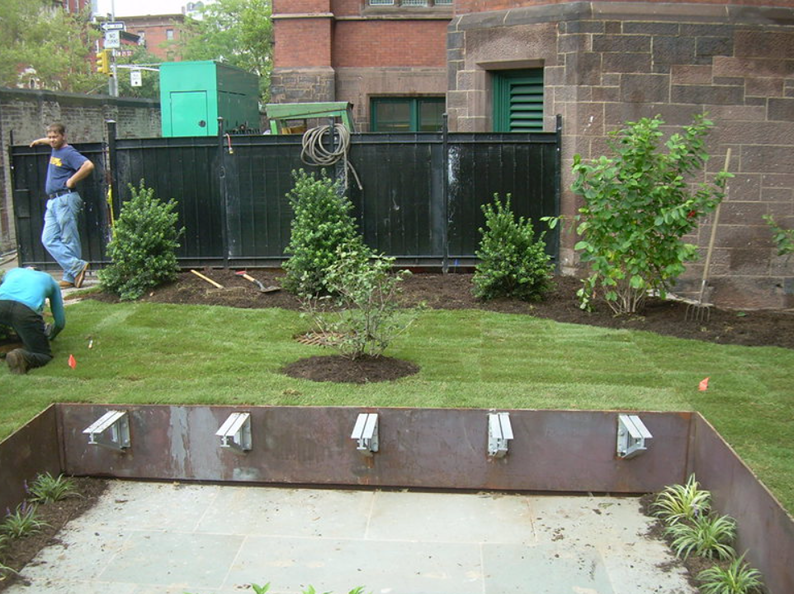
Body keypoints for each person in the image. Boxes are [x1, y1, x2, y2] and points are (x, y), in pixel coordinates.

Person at [30, 123, 94, 289]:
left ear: (63, 136)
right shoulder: (55, 148)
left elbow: (88, 165)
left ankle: (72, 274)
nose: (51, 139)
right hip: (52, 201)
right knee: (48, 238)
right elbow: (50, 140)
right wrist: (39, 141)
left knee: (68, 238)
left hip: (65, 198)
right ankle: (75, 267)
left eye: (55, 136)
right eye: (49, 137)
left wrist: (72, 180)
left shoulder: (68, 152)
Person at [0, 267, 65, 375]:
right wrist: (49, 336)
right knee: (43, 355)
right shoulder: (50, 281)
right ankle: (21, 356)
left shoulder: (12, 271)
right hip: (26, 312)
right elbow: (60, 323)